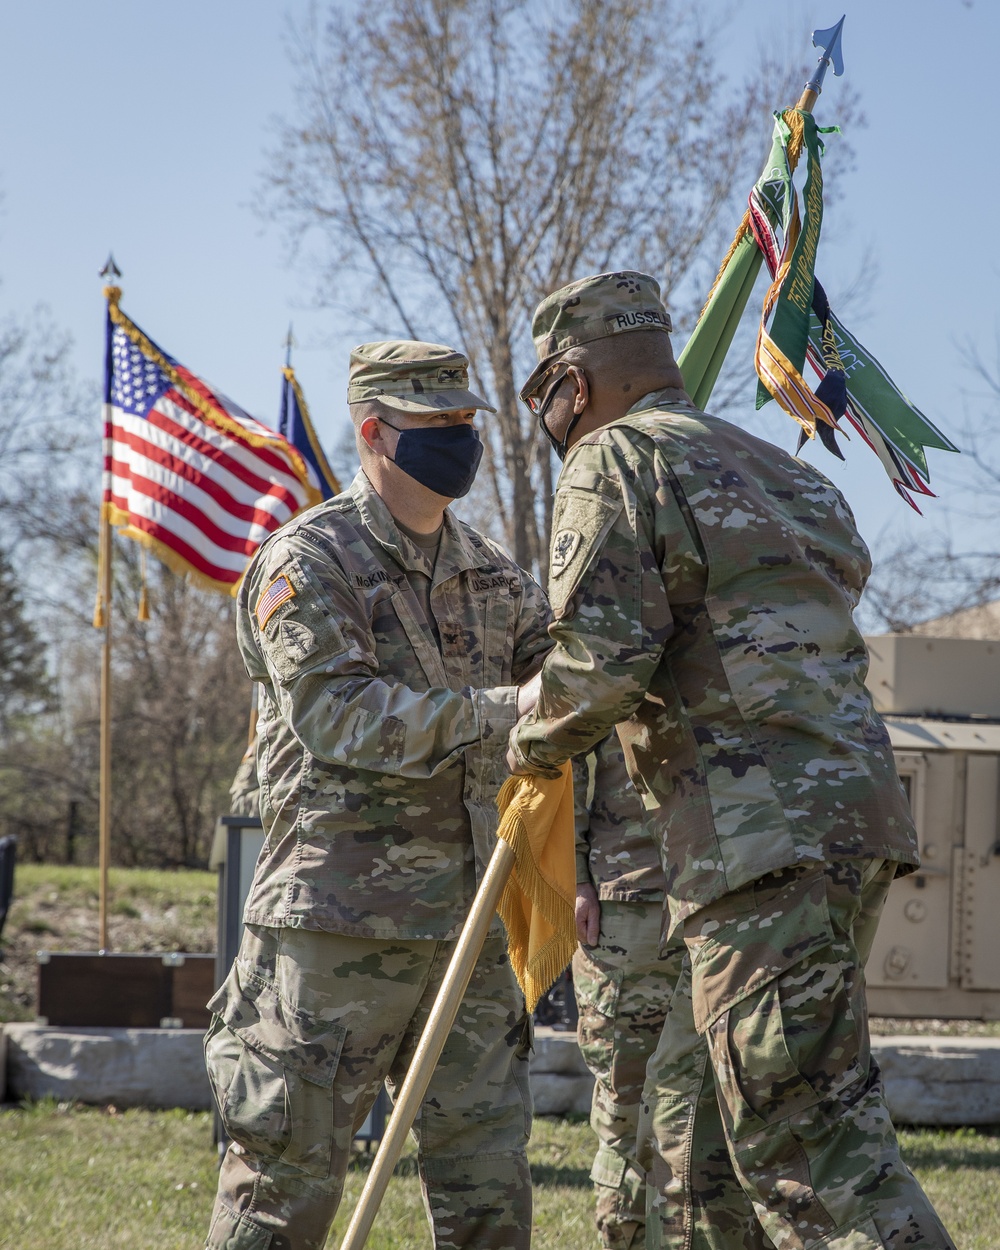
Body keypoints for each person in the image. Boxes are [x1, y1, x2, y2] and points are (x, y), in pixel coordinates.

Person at [508, 271, 955, 1250]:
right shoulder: (783, 470)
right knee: (731, 1144)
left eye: (546, 396)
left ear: (574, 384)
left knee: (813, 1155)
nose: (550, 421)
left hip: (753, 843)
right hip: (852, 820)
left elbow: (600, 667)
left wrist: (522, 734)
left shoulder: (612, 460)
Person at [204, 340, 551, 1250]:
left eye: (466, 422)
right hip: (333, 929)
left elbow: (570, 681)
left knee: (490, 1189)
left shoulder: (495, 574)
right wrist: (506, 708)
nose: (461, 441)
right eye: (438, 425)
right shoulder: (308, 561)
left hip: (470, 928)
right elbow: (336, 715)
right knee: (283, 1188)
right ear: (374, 432)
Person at [572, 732, 681, 1250]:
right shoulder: (613, 645)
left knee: (727, 1106)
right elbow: (559, 741)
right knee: (629, 1107)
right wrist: (573, 876)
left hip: (736, 900)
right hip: (633, 902)